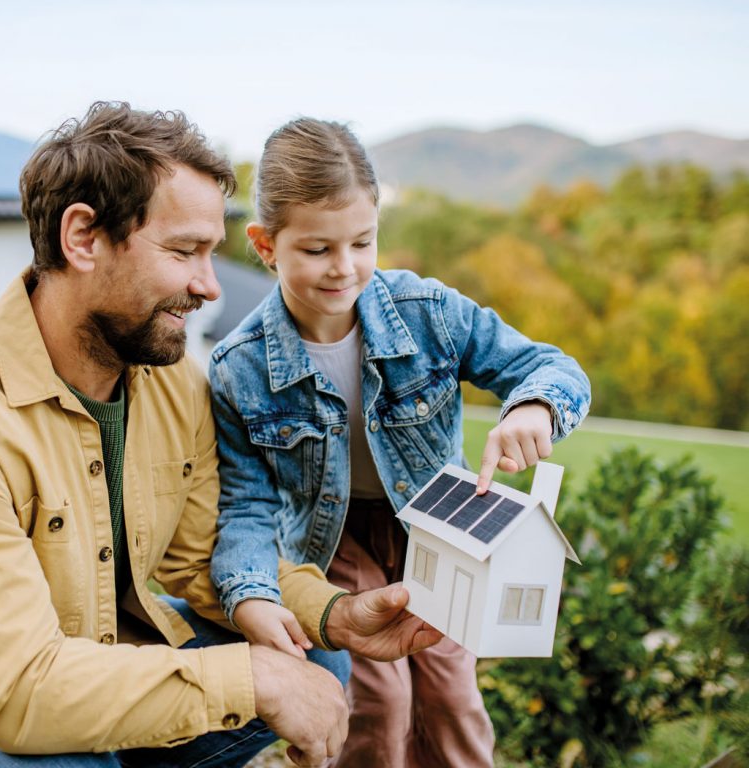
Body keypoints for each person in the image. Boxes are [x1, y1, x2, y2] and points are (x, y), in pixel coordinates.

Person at [0, 102, 443, 768]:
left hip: (91, 653)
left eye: (211, 253)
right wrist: (250, 678)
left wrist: (333, 613)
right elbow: (20, 691)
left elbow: (206, 555)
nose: (207, 286)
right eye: (183, 252)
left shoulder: (168, 378)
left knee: (312, 656)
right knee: (81, 747)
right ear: (83, 237)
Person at [209, 117, 592, 768]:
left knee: (452, 693)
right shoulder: (238, 367)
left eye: (362, 242)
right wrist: (249, 591)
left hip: (439, 527)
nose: (345, 268)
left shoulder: (429, 312)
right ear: (266, 244)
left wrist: (533, 406)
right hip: (333, 542)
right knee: (376, 702)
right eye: (318, 250)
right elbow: (245, 504)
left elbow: (550, 368)